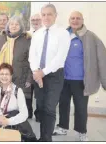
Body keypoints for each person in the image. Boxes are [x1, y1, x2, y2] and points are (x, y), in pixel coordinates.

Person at [53, 11, 106, 141]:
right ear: (69, 20)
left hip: (81, 80)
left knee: (80, 107)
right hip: (63, 78)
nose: (75, 20)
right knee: (63, 104)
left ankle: (82, 131)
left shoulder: (91, 37)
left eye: (78, 18)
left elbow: (102, 59)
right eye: (72, 18)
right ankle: (62, 127)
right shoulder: (63, 35)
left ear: (82, 20)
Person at [28, 4, 71, 142]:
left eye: (49, 14)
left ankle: (46, 139)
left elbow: (60, 57)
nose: (46, 17)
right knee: (40, 107)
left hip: (54, 75)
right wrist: (36, 72)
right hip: (38, 74)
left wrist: (43, 72)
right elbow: (32, 55)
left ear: (55, 15)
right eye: (44, 14)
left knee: (49, 108)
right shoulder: (38, 33)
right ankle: (42, 137)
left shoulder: (63, 33)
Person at [0, 63, 34, 142]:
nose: (4, 76)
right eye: (2, 74)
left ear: (11, 76)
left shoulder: (17, 91)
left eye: (7, 74)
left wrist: (8, 121)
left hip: (13, 124)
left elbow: (24, 114)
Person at [0, 15, 33, 120]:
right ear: (8, 25)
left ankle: (16, 129)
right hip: (1, 78)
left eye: (17, 24)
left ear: (21, 26)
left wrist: (29, 78)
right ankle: (3, 127)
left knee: (16, 106)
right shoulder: (1, 38)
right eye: (12, 24)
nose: (14, 26)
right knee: (2, 104)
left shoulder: (27, 39)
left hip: (19, 78)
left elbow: (31, 61)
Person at [28, 13, 43, 122]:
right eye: (33, 20)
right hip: (28, 69)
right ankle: (28, 113)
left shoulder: (45, 34)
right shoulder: (27, 35)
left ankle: (39, 115)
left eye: (37, 19)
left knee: (39, 94)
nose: (35, 22)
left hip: (40, 69)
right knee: (28, 92)